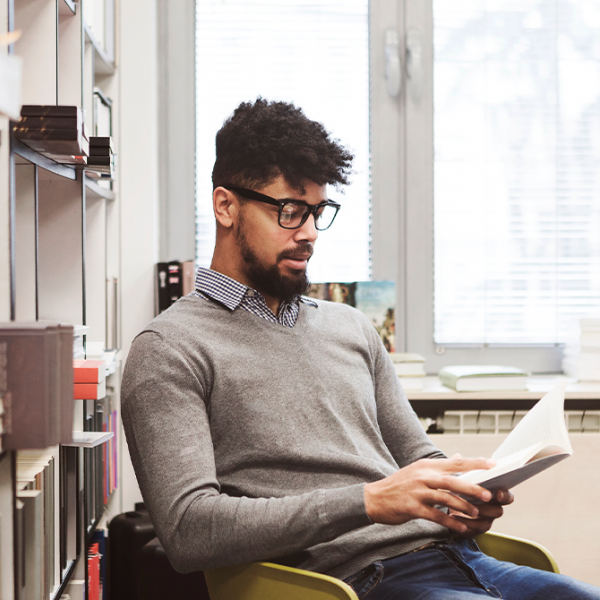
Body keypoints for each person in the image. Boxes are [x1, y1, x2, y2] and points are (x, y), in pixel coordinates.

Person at [121, 98, 600, 599]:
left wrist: (464, 494)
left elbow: (418, 456)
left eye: (317, 212)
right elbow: (189, 530)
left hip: (462, 559)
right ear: (226, 206)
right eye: (288, 211)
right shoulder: (169, 349)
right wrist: (369, 502)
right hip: (353, 581)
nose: (307, 233)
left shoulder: (350, 328)